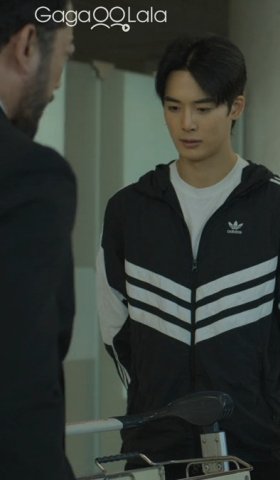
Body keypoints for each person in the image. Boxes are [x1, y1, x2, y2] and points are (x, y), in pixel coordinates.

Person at [96, 34, 280, 480]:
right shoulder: (128, 210)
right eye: (173, 107)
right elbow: (115, 328)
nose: (186, 123)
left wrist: (263, 410)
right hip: (154, 452)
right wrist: (152, 407)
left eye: (203, 109)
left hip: (253, 452)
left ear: (235, 107)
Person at [0, 1, 76, 478]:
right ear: (27, 45)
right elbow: (20, 382)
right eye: (64, 55)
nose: (56, 85)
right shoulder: (26, 174)